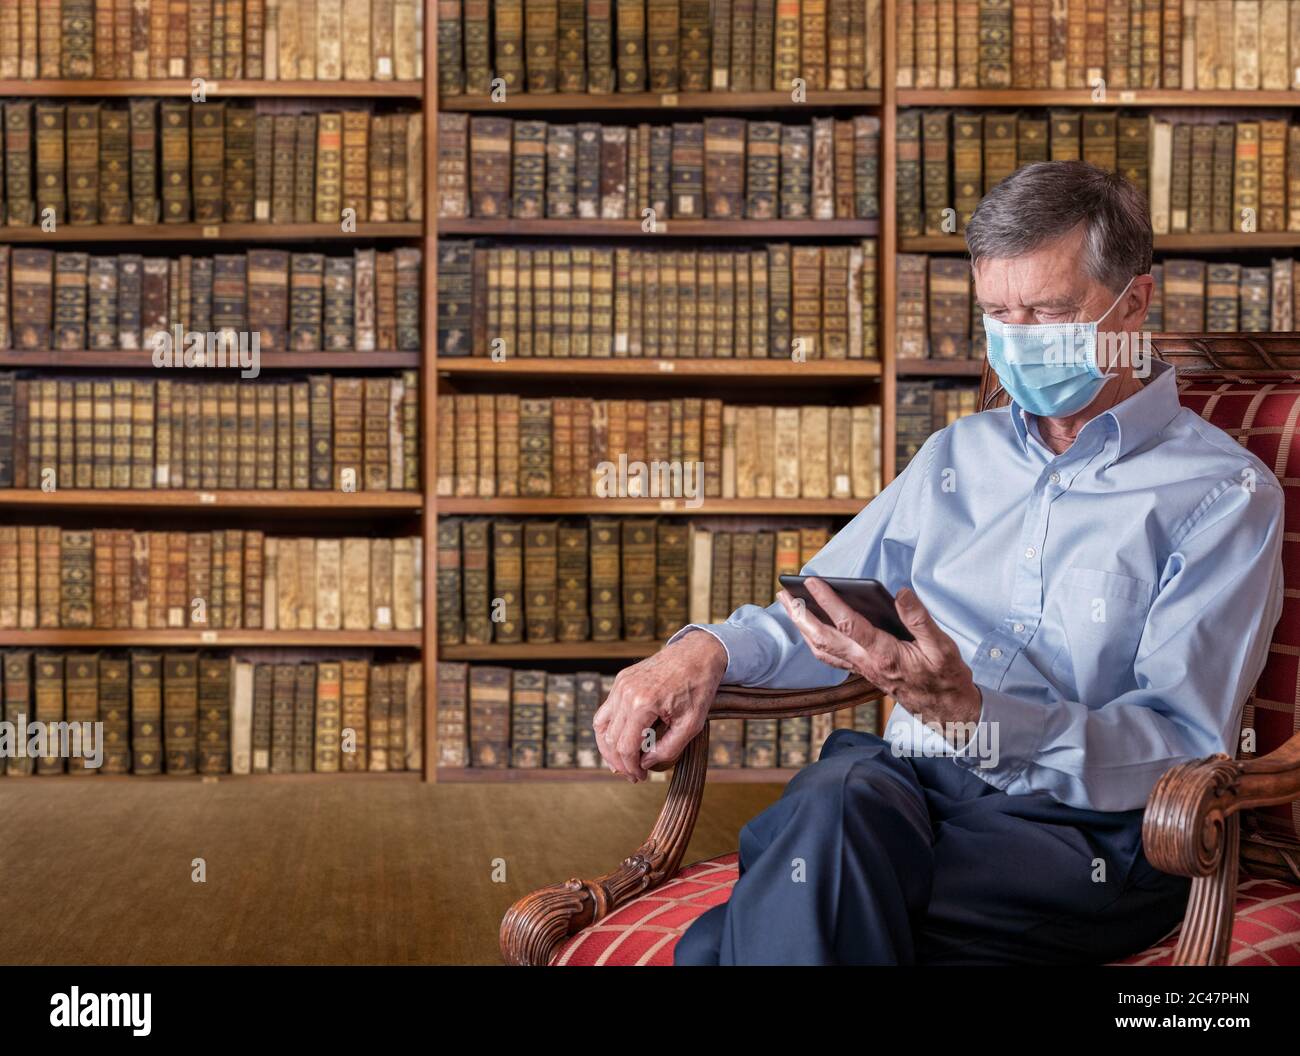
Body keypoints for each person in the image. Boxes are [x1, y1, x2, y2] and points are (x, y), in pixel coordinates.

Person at [592, 160, 1286, 965]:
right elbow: (824, 607)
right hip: (906, 795)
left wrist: (981, 717)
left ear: (1133, 304)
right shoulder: (957, 454)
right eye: (998, 313)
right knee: (843, 796)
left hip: (1085, 836)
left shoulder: (1223, 494)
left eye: (1048, 311)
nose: (1019, 338)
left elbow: (1179, 744)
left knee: (745, 923)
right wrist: (703, 651)